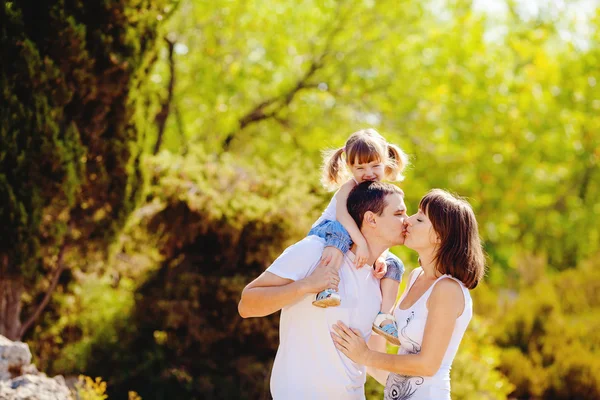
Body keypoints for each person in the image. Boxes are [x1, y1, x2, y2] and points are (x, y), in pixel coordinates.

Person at [238, 181, 408, 400]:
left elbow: (374, 361)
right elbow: (247, 304)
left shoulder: (382, 278)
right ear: (371, 219)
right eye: (399, 213)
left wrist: (417, 392)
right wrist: (306, 285)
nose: (407, 221)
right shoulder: (316, 251)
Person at [331, 189, 486, 400]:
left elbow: (428, 365)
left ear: (439, 236)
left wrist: (366, 355)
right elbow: (382, 341)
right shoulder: (415, 277)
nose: (408, 221)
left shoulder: (447, 289)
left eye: (420, 219)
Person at [308, 128, 409, 345]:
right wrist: (361, 243)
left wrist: (382, 256)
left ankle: (384, 316)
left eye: (375, 166)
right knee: (342, 234)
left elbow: (379, 229)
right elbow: (343, 217)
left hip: (354, 236)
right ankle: (326, 288)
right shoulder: (350, 187)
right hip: (331, 230)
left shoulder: (384, 192)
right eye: (360, 167)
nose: (368, 172)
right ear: (349, 167)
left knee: (395, 264)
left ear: (385, 162)